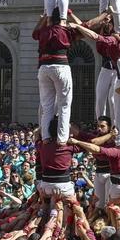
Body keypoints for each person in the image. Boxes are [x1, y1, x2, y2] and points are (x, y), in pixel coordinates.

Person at [33, 10, 75, 145]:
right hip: (60, 66)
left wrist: (43, 19)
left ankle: (45, 137)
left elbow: (35, 34)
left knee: (47, 107)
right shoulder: (65, 30)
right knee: (64, 105)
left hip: (44, 68)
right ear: (62, 18)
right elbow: (83, 30)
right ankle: (62, 139)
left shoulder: (44, 30)